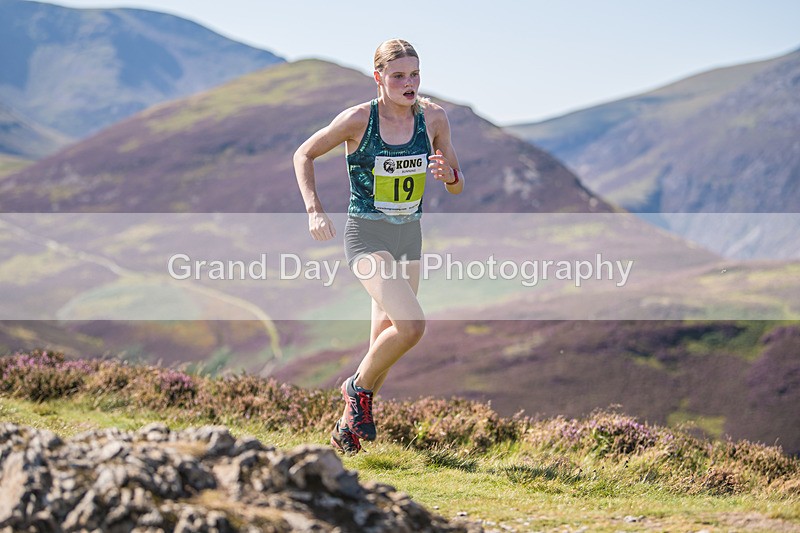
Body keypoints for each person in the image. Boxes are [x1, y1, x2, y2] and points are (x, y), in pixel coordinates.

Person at [293, 39, 463, 455]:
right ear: (379, 78)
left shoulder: (434, 118)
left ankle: (345, 433)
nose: (409, 83)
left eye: (415, 74)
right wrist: (315, 209)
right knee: (411, 327)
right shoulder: (357, 120)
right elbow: (304, 154)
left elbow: (457, 181)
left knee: (382, 343)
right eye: (399, 75)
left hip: (409, 235)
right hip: (367, 235)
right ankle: (355, 389)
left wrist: (448, 175)